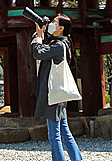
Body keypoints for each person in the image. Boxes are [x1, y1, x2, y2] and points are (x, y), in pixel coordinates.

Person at [32, 13, 84, 161]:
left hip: (53, 94)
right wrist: (40, 32)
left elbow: (38, 52)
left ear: (60, 28)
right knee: (64, 132)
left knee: (54, 135)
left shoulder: (58, 46)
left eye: (54, 22)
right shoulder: (62, 44)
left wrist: (38, 36)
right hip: (58, 93)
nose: (52, 24)